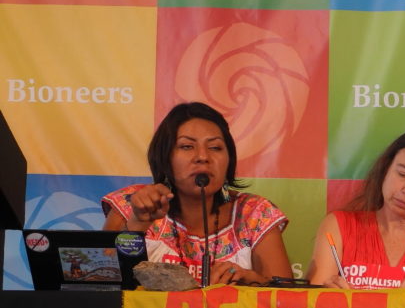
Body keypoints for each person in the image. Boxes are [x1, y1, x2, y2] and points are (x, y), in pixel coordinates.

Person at [102, 101, 291, 286]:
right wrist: (138, 225)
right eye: (187, 146)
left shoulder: (254, 214)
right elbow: (100, 283)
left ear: (229, 159)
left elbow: (287, 301)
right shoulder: (132, 205)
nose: (203, 157)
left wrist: (252, 280)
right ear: (164, 156)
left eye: (215, 147)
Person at [308, 127, 405, 289]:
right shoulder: (338, 225)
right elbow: (313, 301)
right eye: (403, 174)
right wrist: (330, 292)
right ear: (385, 169)